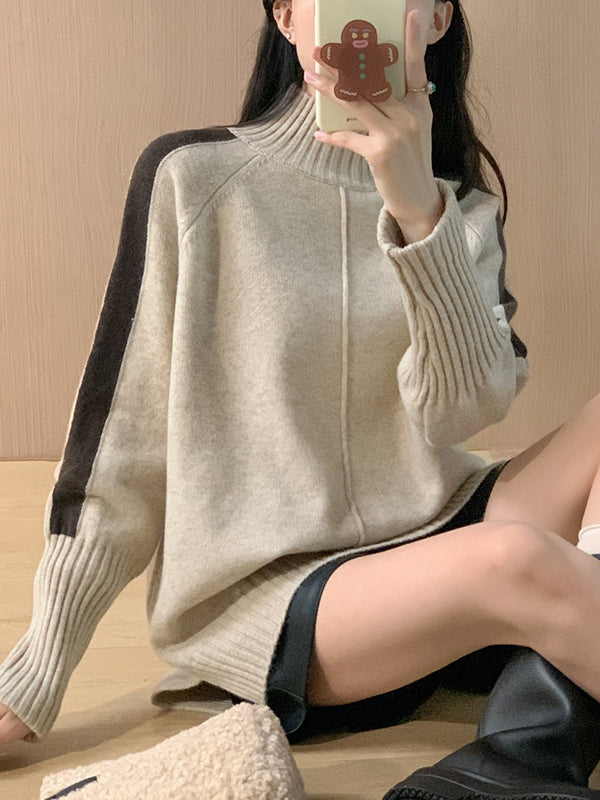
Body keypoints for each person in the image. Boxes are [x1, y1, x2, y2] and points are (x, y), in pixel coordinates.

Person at [2, 1, 600, 797]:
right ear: (287, 17)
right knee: (516, 560)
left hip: (439, 535)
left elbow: (458, 413)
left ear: (435, 20)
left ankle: (523, 753)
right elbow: (123, 447)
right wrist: (37, 669)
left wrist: (417, 211)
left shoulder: (461, 205)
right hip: (283, 604)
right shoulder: (194, 179)